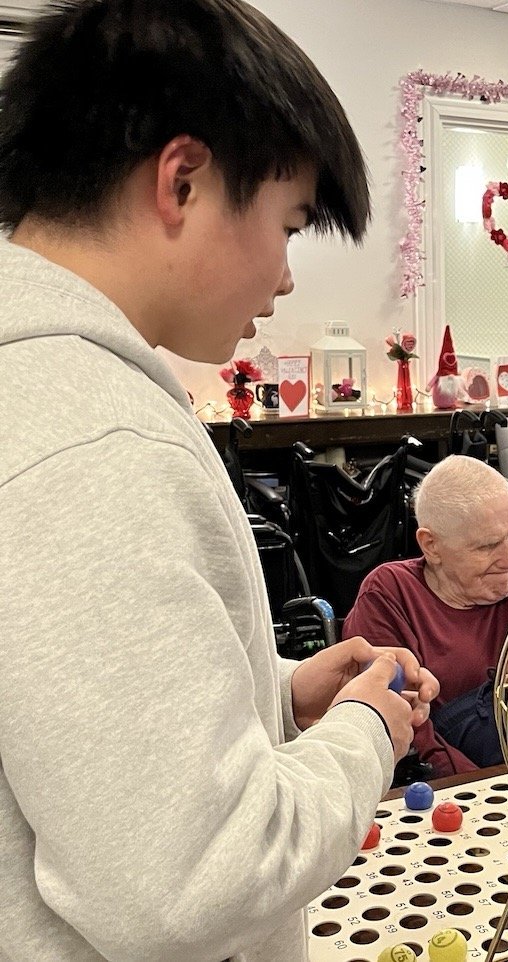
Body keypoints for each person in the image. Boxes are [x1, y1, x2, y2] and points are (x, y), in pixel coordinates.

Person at [0, 3, 438, 960]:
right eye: (287, 225)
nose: (283, 279)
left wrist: (270, 692)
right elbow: (193, 883)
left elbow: (62, 734)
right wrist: (368, 727)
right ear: (184, 180)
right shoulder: (90, 443)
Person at [343, 456, 508, 777]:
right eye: (488, 546)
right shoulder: (390, 594)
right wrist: (497, 789)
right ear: (431, 545)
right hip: (459, 785)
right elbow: (401, 731)